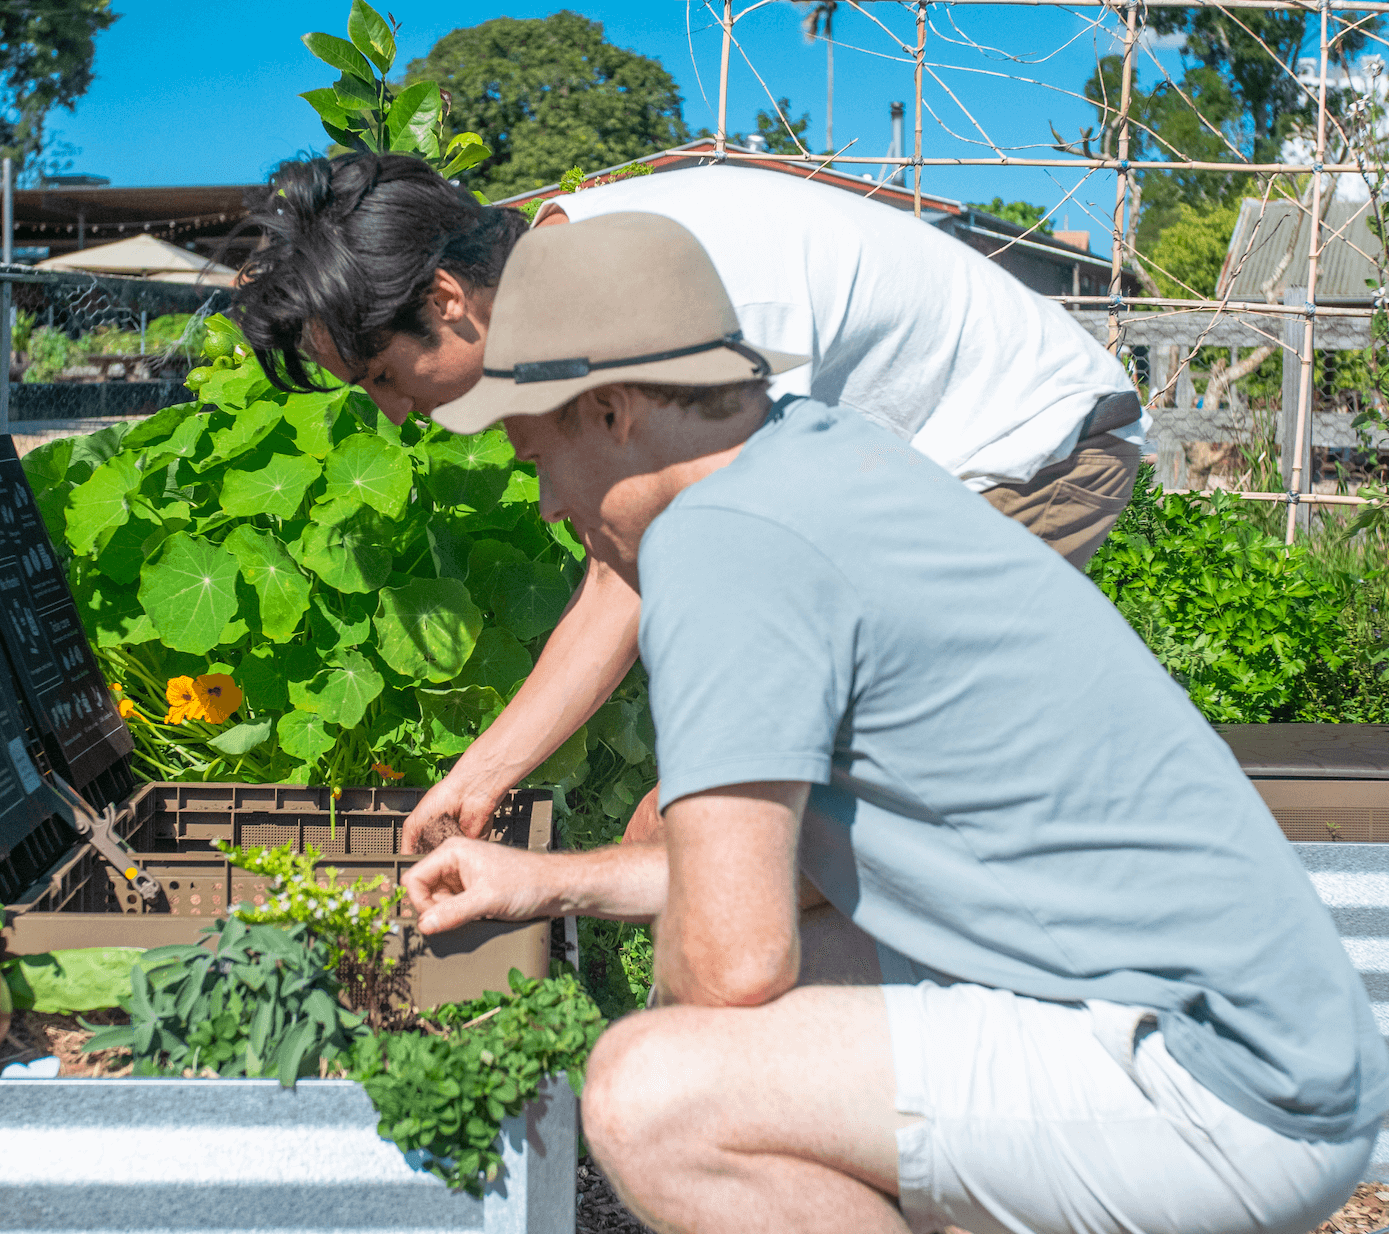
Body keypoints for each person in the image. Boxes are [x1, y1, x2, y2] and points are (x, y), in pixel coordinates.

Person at [397, 210, 1386, 1234]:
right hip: (1277, 1046)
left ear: (610, 412)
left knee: (655, 1096)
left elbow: (731, 966)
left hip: (1220, 1089)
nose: (551, 505)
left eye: (536, 458)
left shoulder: (721, 544)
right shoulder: (820, 457)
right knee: (758, 1011)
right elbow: (809, 873)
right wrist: (552, 882)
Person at [236, 154, 1148, 852]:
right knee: (720, 829)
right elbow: (628, 565)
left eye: (387, 376)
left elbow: (708, 572)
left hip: (1025, 455)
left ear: (447, 300)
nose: (395, 413)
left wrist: (688, 806)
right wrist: (480, 778)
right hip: (894, 478)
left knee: (755, 826)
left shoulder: (658, 282)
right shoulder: (569, 283)